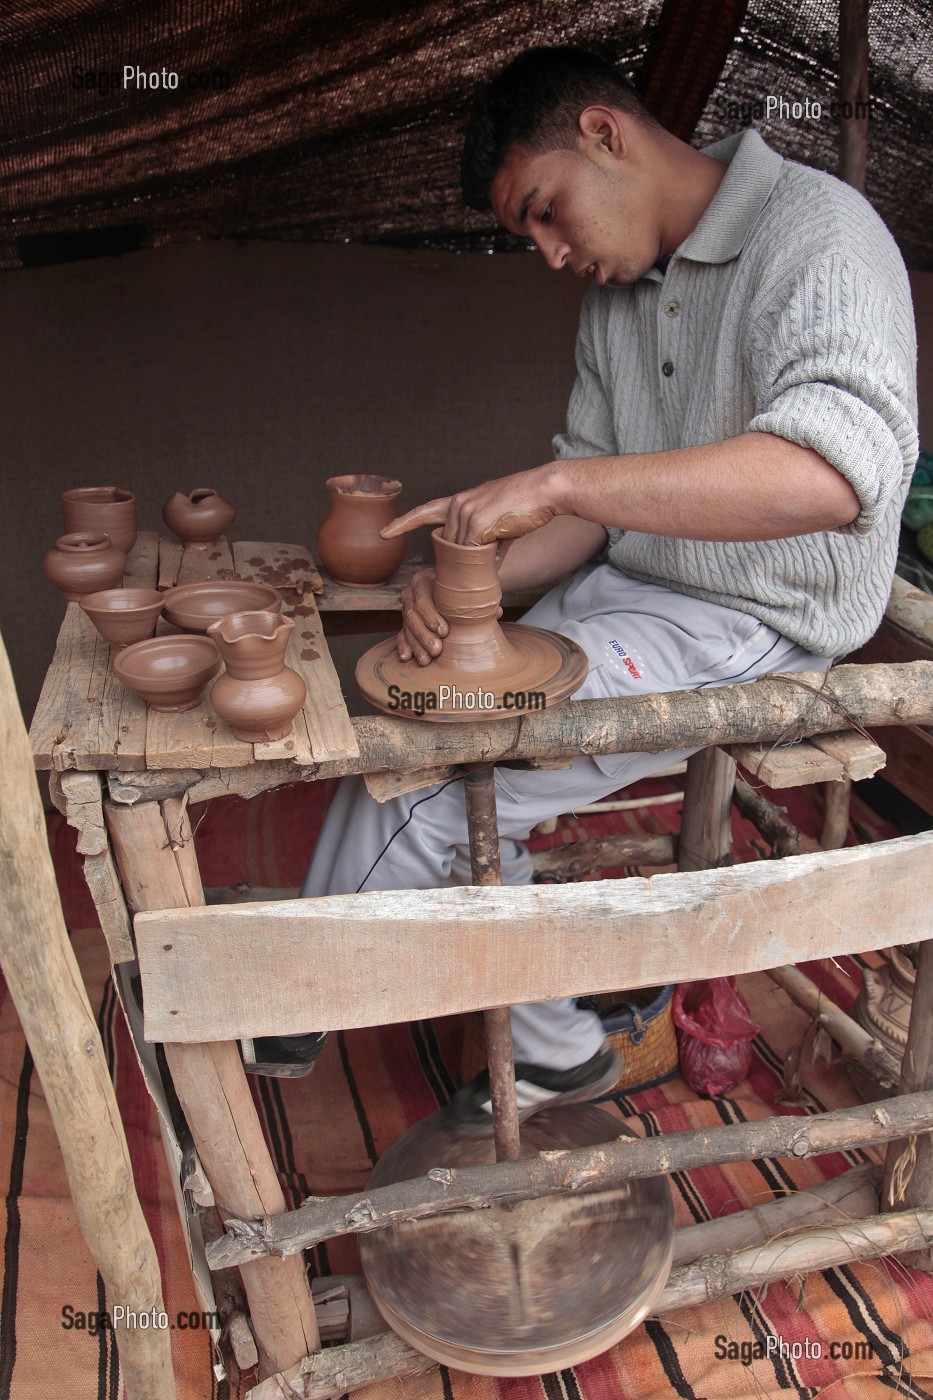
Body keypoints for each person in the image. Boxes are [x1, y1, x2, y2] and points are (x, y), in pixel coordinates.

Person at [243, 47, 918, 1130]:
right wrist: (472, 587)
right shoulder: (621, 295)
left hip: (758, 614)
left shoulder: (820, 234)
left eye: (548, 212)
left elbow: (831, 476)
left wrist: (559, 478)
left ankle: (266, 1004)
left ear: (606, 135)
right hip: (633, 589)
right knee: (425, 720)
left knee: (442, 770)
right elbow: (593, 514)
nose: (554, 254)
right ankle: (556, 1048)